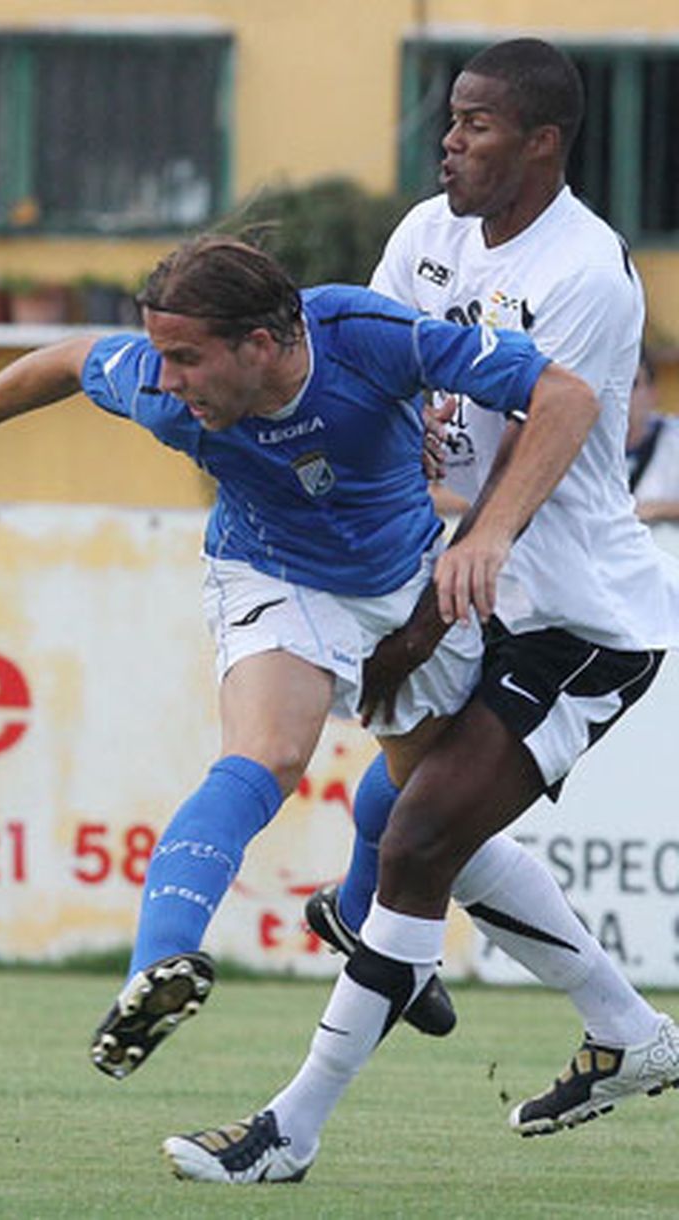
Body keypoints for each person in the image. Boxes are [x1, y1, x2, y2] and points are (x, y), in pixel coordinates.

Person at [0, 233, 600, 1081]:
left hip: (406, 575)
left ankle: (361, 919)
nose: (166, 378)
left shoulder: (366, 335)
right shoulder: (161, 391)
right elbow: (68, 360)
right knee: (269, 754)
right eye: (159, 356)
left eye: (185, 358)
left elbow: (566, 396)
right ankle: (159, 963)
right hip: (272, 572)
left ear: (261, 345)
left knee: (421, 797)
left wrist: (493, 529)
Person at [165, 39, 679, 1186]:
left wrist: (482, 536)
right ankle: (630, 1032)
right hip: (467, 581)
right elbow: (370, 387)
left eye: (479, 124)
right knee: (410, 815)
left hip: (576, 616)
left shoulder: (587, 271)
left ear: (541, 144)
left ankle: (286, 1130)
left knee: (416, 837)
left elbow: (556, 414)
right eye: (451, 117)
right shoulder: (425, 236)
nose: (450, 140)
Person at [625, 348, 679, 522]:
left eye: (632, 385)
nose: (622, 394)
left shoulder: (674, 439)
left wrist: (660, 509)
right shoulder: (578, 443)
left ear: (653, 394)